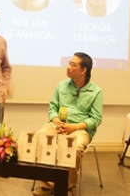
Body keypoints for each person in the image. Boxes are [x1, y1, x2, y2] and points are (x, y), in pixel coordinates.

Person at [33, 52, 103, 196]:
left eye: (73, 64)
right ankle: (47, 185)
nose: (68, 67)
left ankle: (68, 186)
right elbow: (52, 108)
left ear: (84, 70)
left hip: (80, 129)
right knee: (41, 136)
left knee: (74, 148)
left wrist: (74, 127)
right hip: (57, 125)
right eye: (69, 63)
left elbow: (96, 119)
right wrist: (56, 121)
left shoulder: (96, 91)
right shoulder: (61, 86)